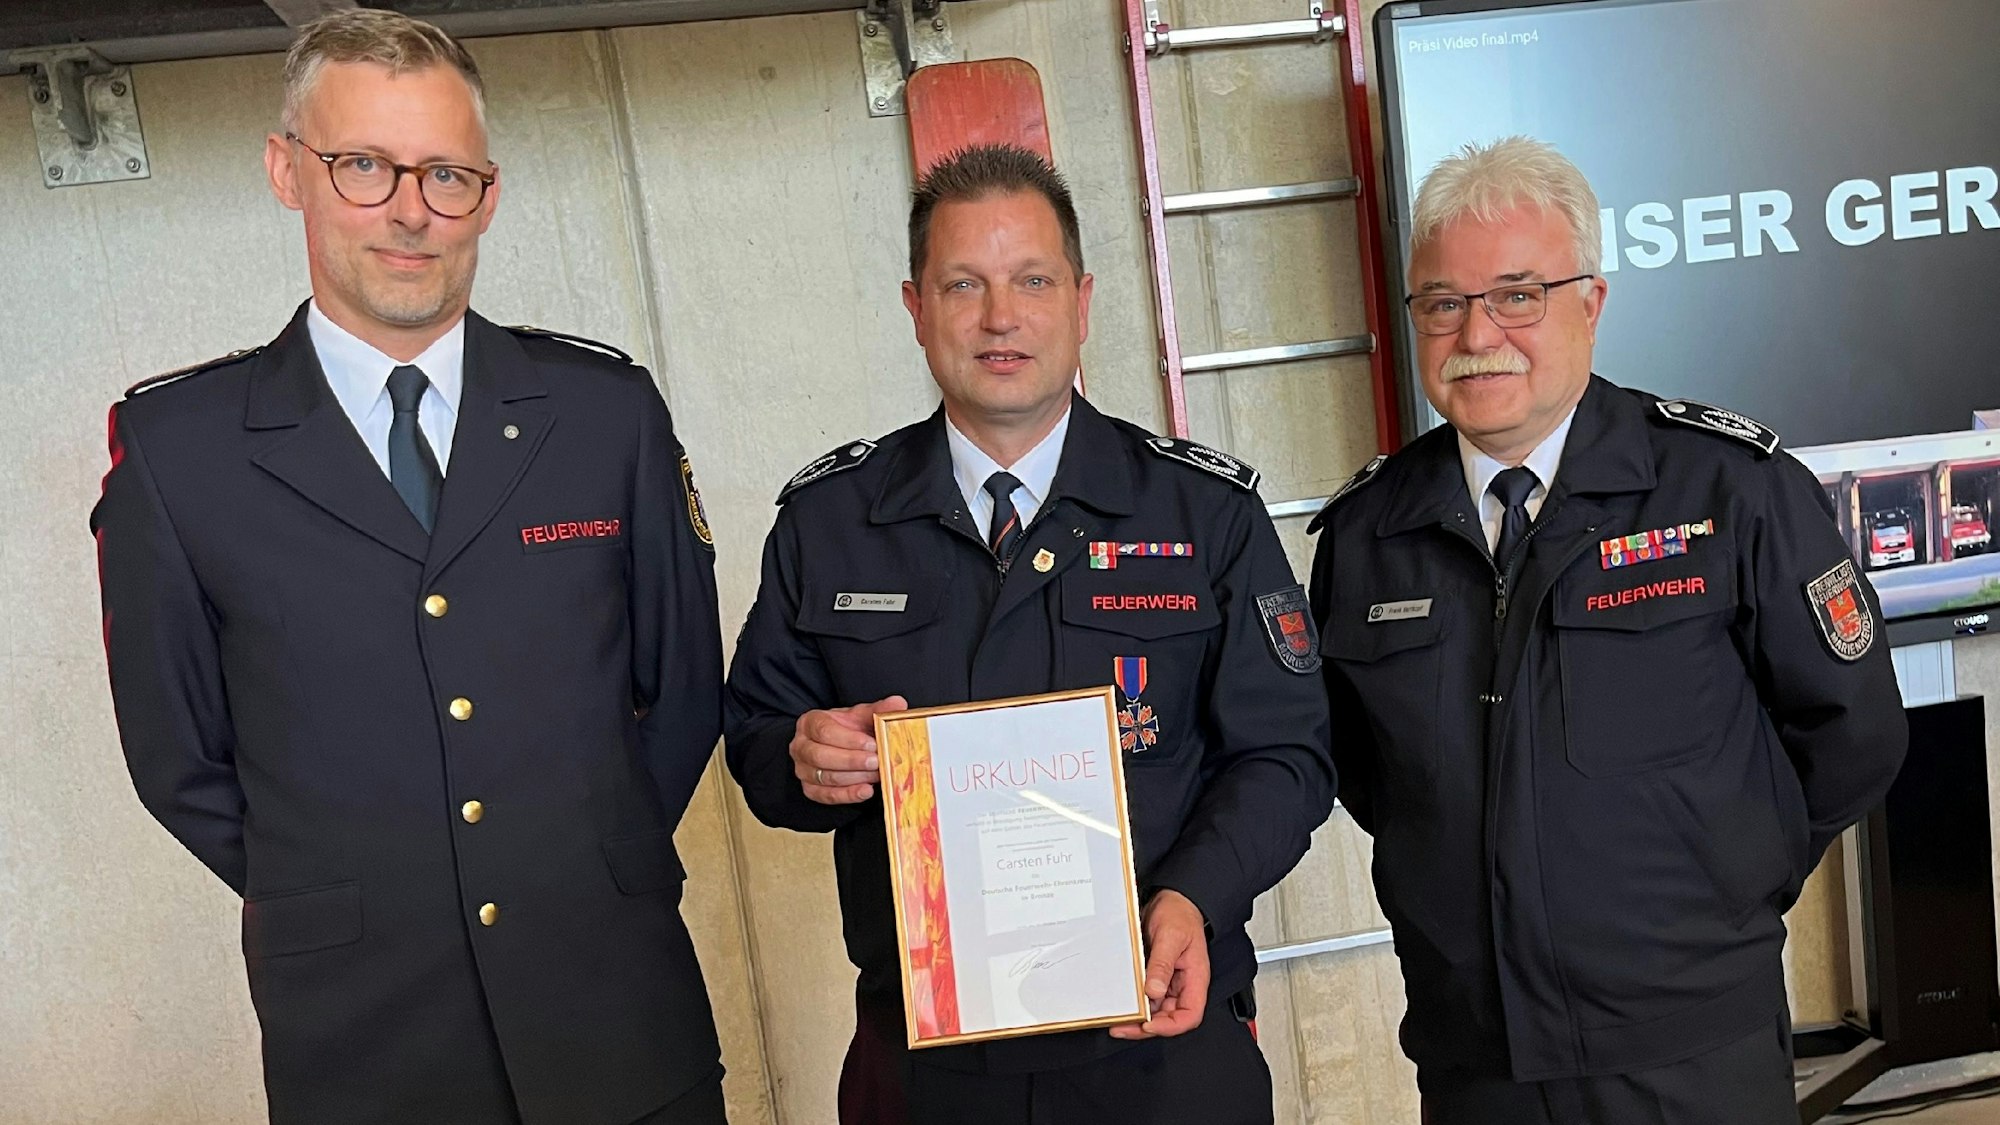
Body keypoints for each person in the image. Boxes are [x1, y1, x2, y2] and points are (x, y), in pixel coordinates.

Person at [90, 11, 727, 1123]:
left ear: (487, 192)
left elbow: (680, 695)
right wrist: (358, 890)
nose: (409, 212)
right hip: (364, 1043)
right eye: (364, 166)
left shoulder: (601, 415)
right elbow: (177, 759)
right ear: (288, 172)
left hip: (619, 1020)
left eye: (446, 175)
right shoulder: (178, 452)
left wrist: (579, 858)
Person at [723, 144, 1333, 1124]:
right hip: (924, 1067)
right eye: (962, 284)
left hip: (1157, 1042)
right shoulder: (828, 522)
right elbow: (758, 741)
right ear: (915, 306)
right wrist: (803, 758)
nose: (999, 317)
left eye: (1031, 281)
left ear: (1081, 302)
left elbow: (1286, 756)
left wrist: (1193, 897)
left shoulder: (1198, 513)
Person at [1306, 136, 1908, 1124]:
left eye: (1516, 294)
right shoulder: (1369, 532)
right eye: (1441, 303)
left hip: (1687, 1051)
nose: (1476, 332)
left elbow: (1852, 732)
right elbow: (1376, 780)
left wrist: (1725, 874)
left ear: (1589, 301)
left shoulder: (1728, 491)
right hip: (1474, 1055)